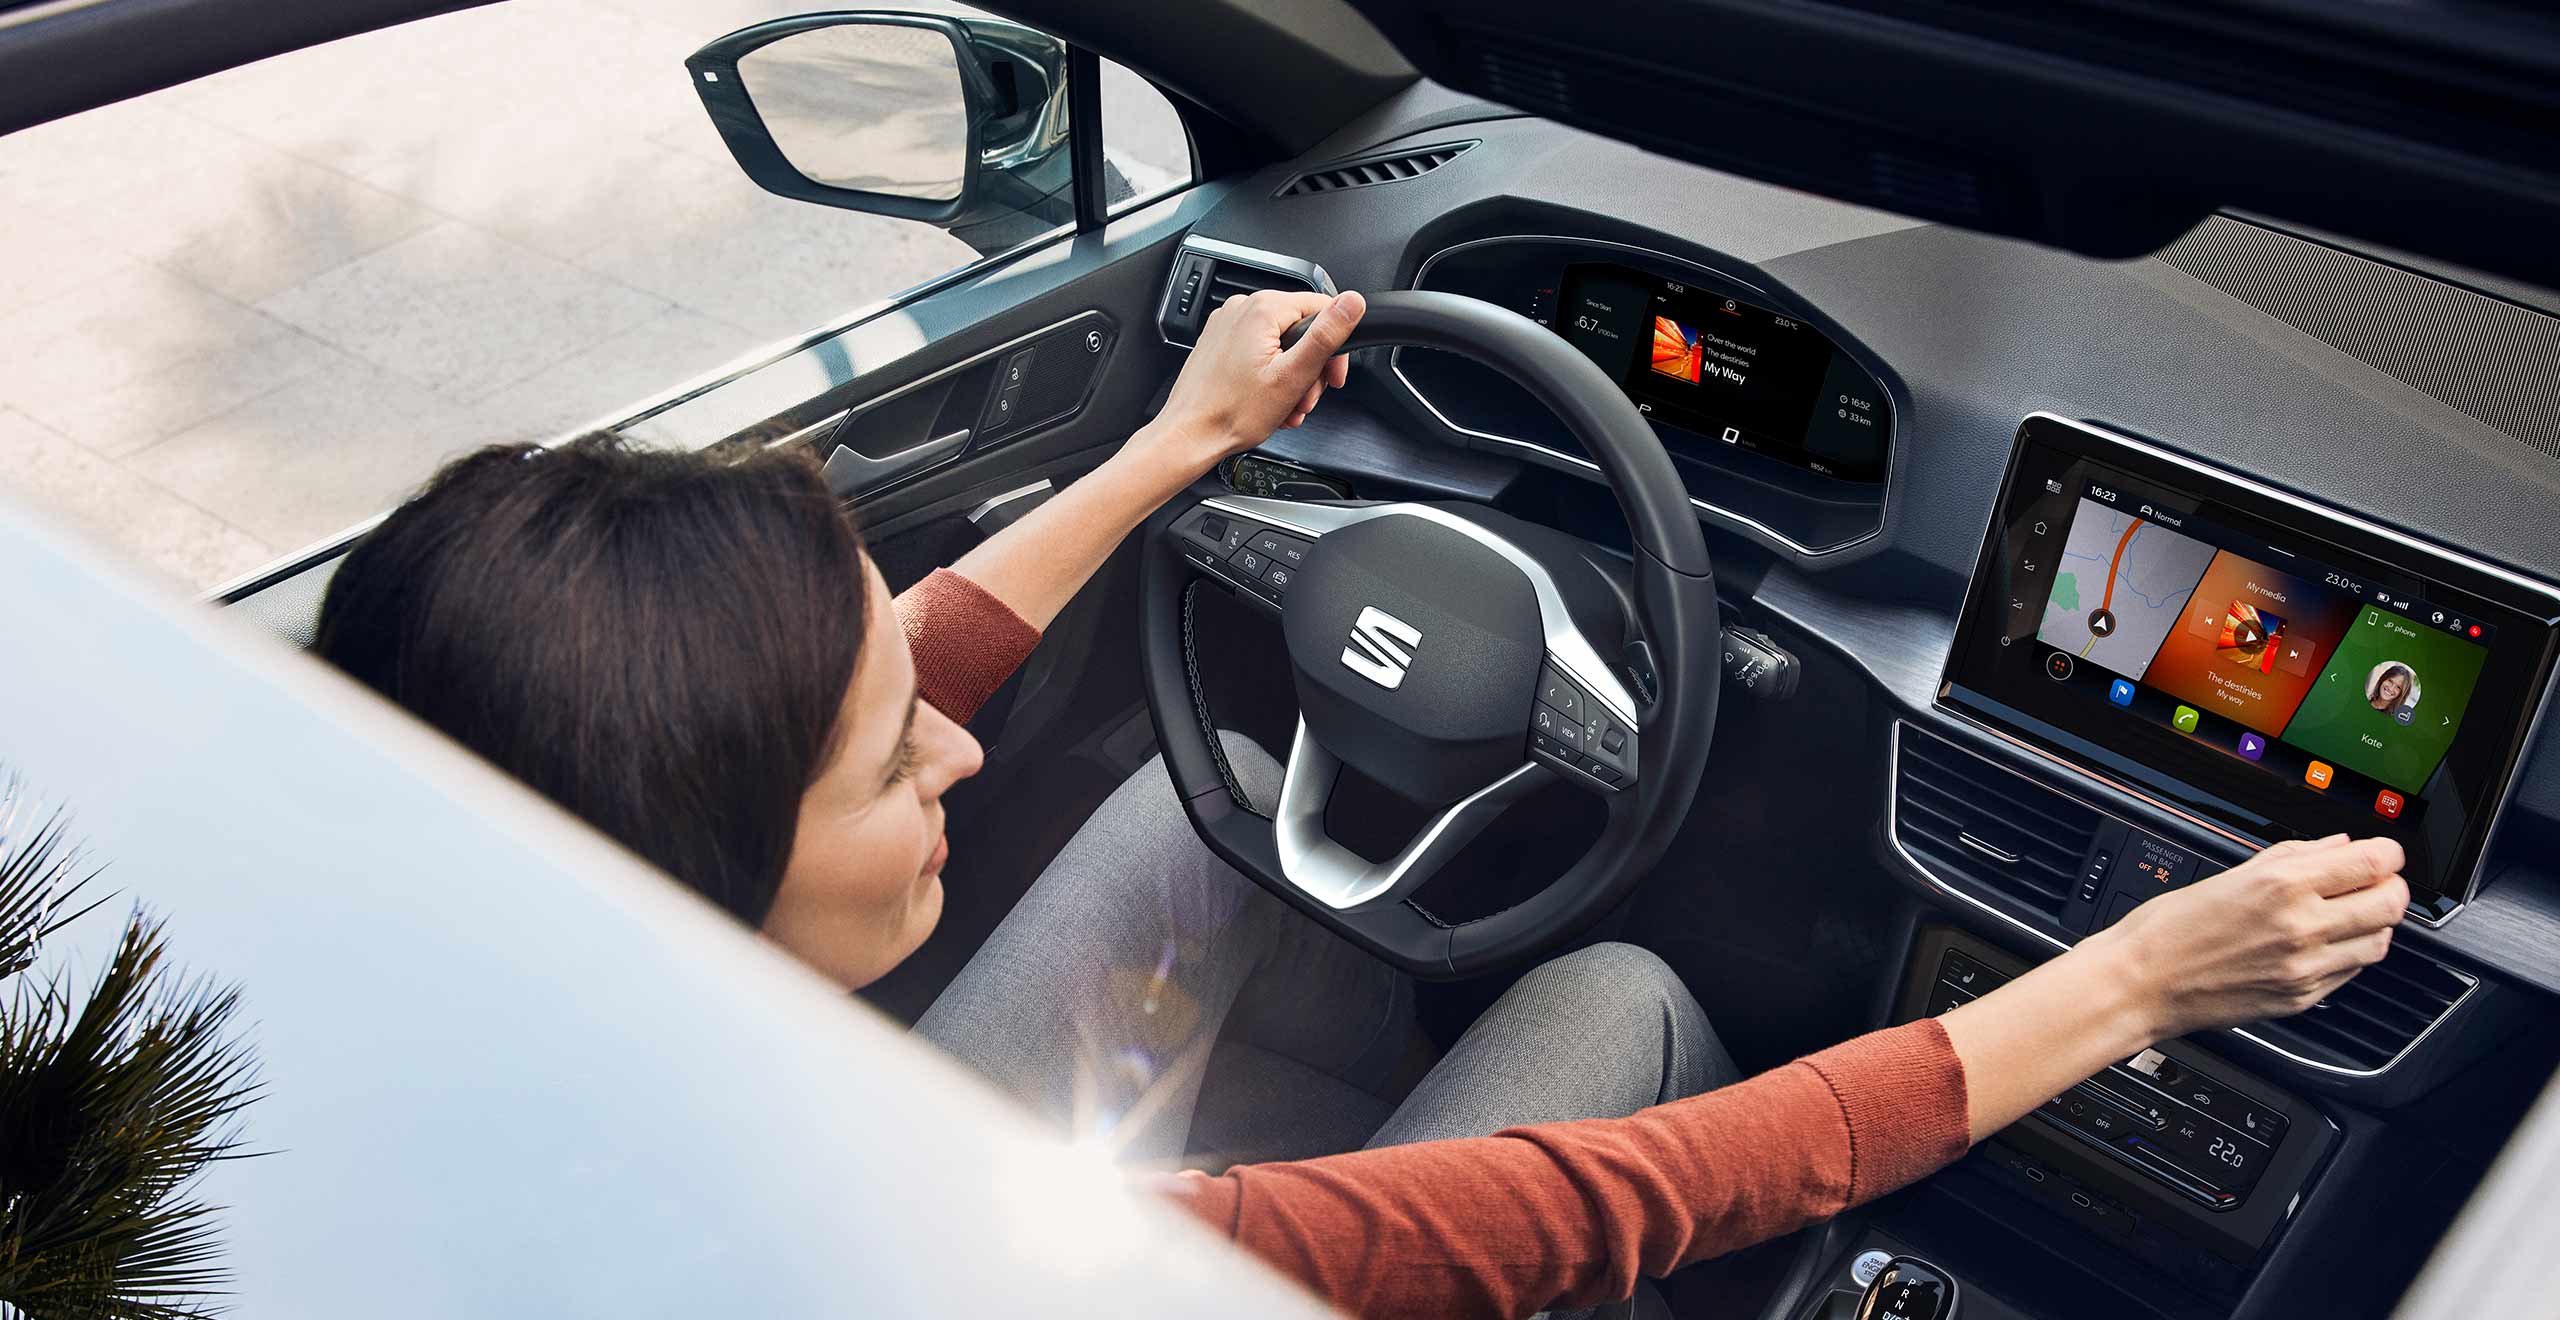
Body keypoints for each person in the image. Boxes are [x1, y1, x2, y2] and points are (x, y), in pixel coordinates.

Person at [311, 288, 2409, 1319]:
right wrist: (2137, 982)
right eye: (885, 757)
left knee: (1174, 812)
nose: (947, 732)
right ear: (688, 876)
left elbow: (904, 662)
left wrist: (1175, 445)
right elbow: (1637, 1197)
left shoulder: (463, 981)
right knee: (1611, 988)